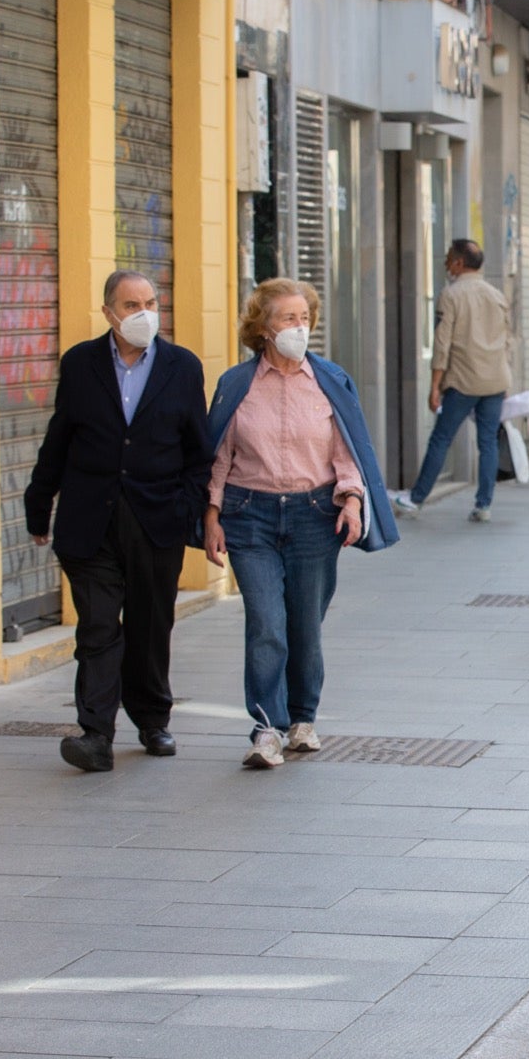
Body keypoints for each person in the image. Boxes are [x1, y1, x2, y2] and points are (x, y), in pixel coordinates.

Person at [203, 278, 398, 769]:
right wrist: (211, 514)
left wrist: (352, 501)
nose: (299, 327)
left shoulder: (330, 380)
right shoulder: (236, 385)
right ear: (263, 328)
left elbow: (348, 451)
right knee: (267, 623)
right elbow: (219, 456)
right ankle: (266, 728)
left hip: (314, 515)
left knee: (305, 626)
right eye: (287, 318)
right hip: (250, 517)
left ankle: (302, 719)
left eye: (304, 318)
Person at [26, 270, 212, 773]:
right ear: (108, 312)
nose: (144, 314)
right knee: (99, 626)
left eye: (150, 302)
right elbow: (60, 438)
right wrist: (38, 504)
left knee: (152, 624)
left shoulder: (181, 367)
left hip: (157, 519)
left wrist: (191, 507)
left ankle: (152, 718)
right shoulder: (81, 363)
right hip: (91, 520)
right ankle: (95, 734)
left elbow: (199, 451)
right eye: (131, 305)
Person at [392, 239, 513, 523]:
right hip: (495, 380)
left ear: (459, 263)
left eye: (448, 258)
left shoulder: (451, 294)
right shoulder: (496, 294)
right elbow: (506, 340)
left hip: (463, 380)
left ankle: (417, 498)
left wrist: (435, 386)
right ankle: (484, 504)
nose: (445, 264)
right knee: (488, 442)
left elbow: (442, 343)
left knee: (441, 438)